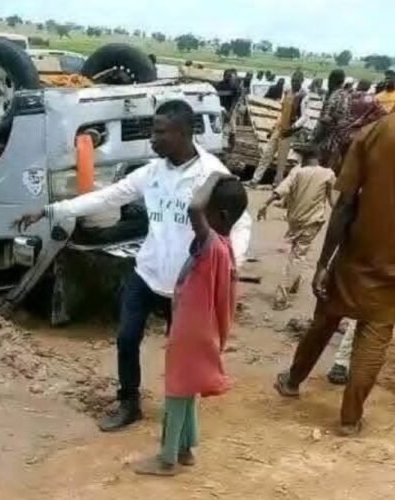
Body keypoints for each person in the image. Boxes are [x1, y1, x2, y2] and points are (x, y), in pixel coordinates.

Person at [14, 100, 252, 432]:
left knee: (181, 352)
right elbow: (107, 196)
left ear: (182, 133)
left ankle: (179, 412)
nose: (151, 140)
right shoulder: (152, 173)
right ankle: (129, 402)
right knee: (126, 338)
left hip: (186, 284)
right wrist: (52, 210)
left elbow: (241, 223)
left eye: (159, 132)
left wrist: (231, 266)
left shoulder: (212, 176)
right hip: (146, 272)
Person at [275, 114, 395, 437]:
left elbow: (344, 205)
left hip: (357, 256)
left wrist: (323, 262)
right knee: (375, 338)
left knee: (326, 318)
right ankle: (350, 418)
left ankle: (292, 380)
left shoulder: (373, 133)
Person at [131, 173, 246, 476]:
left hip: (190, 330)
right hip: (205, 329)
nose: (200, 214)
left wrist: (213, 177)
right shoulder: (226, 245)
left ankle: (166, 458)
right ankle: (186, 448)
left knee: (176, 389)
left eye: (209, 209)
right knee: (188, 388)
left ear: (219, 215)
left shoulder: (210, 245)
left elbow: (193, 209)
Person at [257, 145, 335, 310]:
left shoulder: (297, 172)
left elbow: (281, 190)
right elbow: (333, 202)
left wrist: (265, 204)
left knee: (298, 252)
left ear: (305, 159)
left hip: (295, 221)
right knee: (298, 256)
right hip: (312, 222)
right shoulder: (328, 174)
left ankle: (295, 283)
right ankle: (281, 296)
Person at [251, 71, 309, 187]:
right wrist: (274, 127)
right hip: (280, 127)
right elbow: (282, 112)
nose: (294, 83)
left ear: (301, 82)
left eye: (297, 81)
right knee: (267, 154)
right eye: (293, 81)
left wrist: (293, 128)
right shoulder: (287, 91)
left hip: (289, 131)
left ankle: (277, 182)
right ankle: (255, 179)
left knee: (281, 160)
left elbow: (304, 117)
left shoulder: (304, 95)